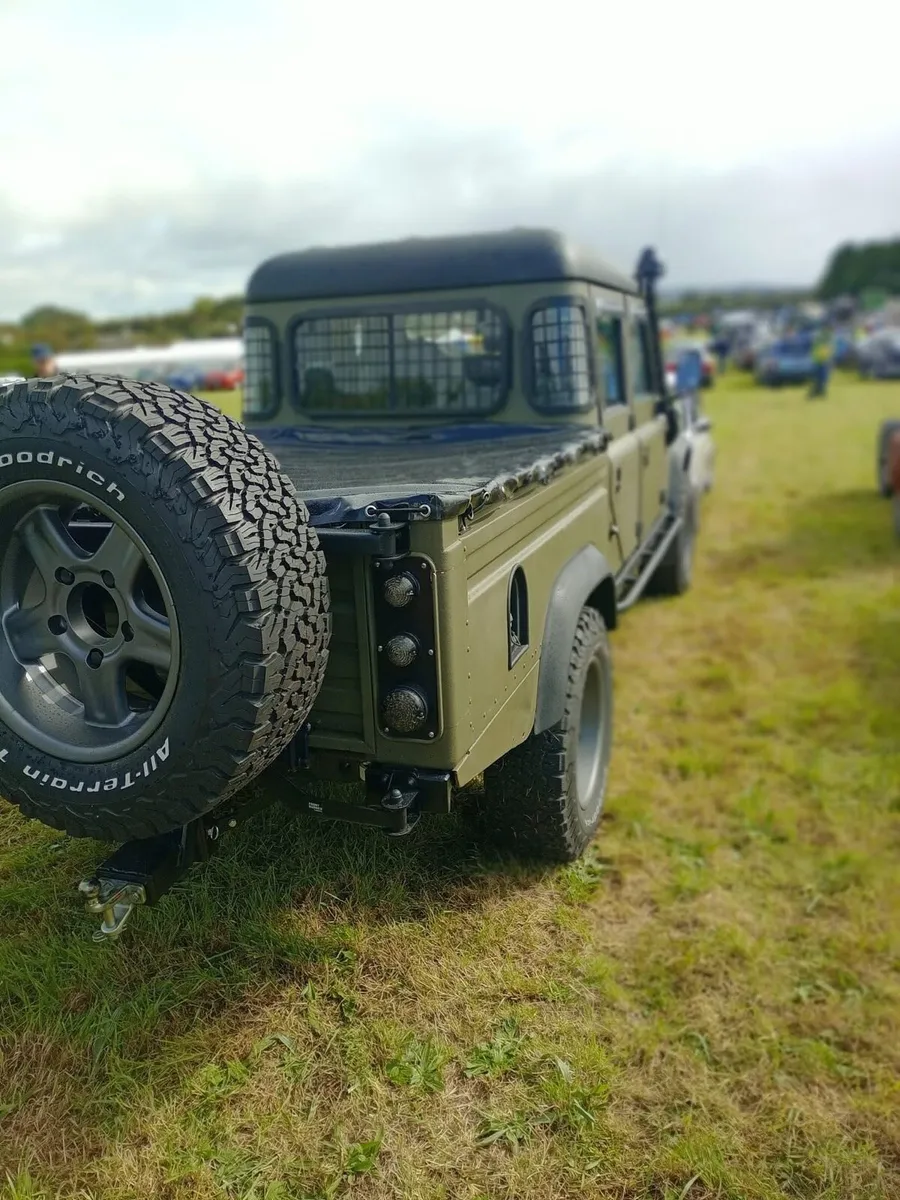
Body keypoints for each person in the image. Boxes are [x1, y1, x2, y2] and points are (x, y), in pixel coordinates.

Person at [808, 328, 833, 398]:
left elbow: (827, 353)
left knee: (822, 379)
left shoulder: (822, 342)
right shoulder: (821, 343)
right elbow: (823, 353)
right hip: (820, 362)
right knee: (820, 379)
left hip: (821, 362)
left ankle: (819, 393)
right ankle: (816, 393)